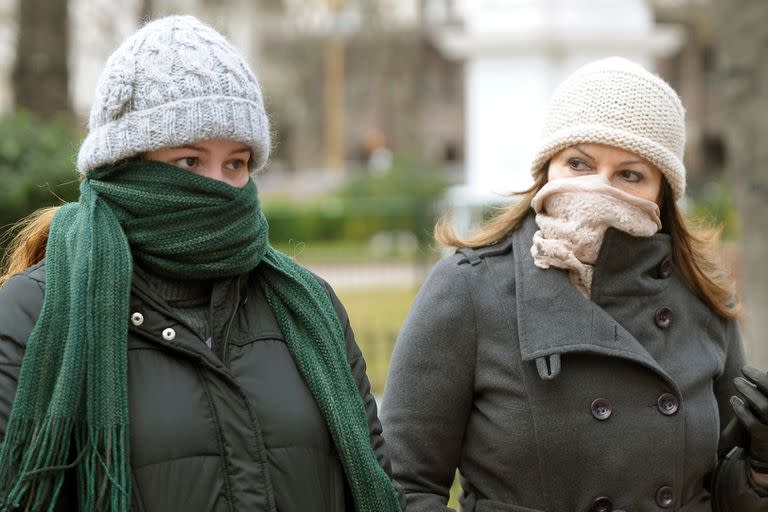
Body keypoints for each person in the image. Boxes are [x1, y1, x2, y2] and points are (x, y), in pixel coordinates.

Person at [0, 15, 403, 512]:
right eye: (190, 162)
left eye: (235, 163)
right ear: (122, 166)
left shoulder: (309, 308)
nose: (218, 187)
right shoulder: (31, 313)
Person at [380, 57, 768, 511]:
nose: (599, 188)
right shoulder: (470, 290)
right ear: (548, 169)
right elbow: (402, 487)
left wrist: (760, 468)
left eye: (630, 174)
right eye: (579, 162)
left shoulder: (701, 297)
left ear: (662, 191)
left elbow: (720, 494)